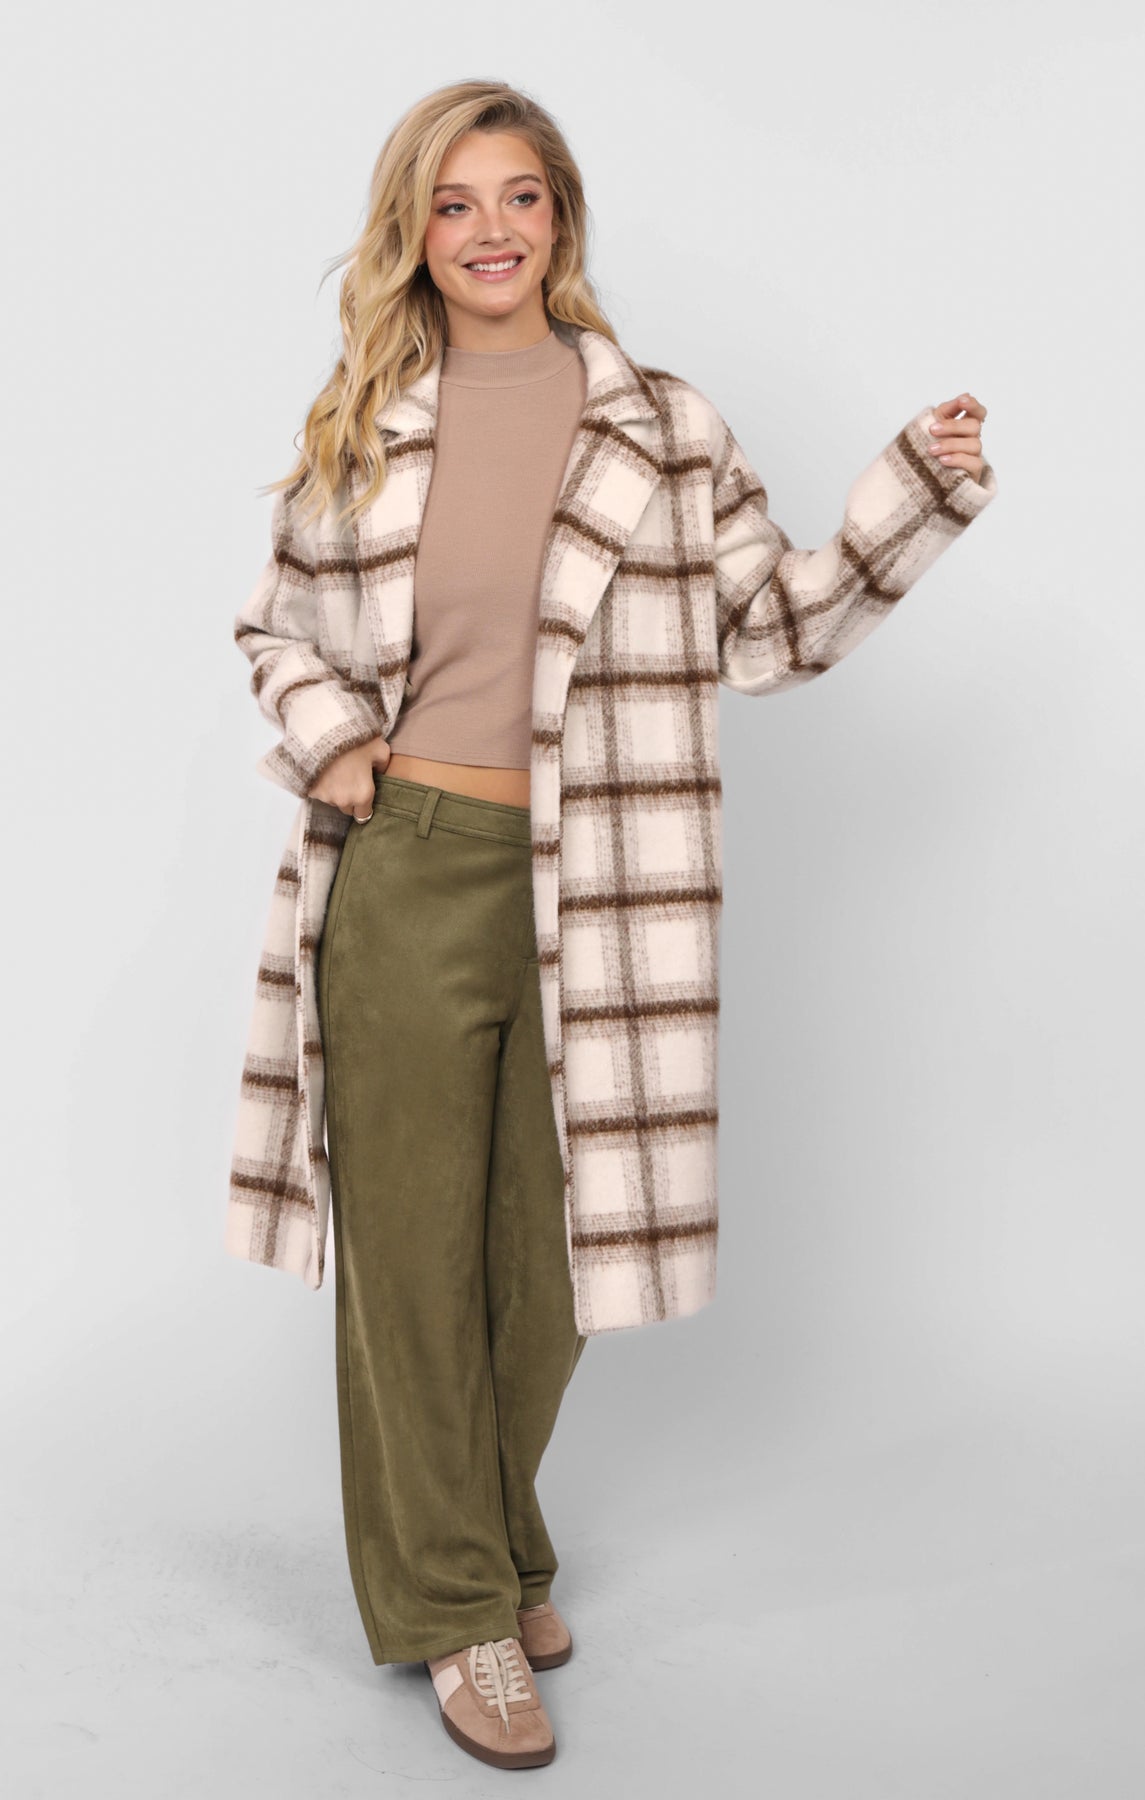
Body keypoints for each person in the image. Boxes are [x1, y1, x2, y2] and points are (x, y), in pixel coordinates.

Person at [227, 79, 997, 1773]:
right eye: (452, 204)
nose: (489, 230)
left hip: (607, 879)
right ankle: (461, 1608)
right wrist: (335, 741)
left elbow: (770, 630)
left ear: (561, 216)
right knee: (411, 1269)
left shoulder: (661, 423)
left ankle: (487, 1544)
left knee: (552, 1261)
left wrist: (911, 492)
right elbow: (274, 624)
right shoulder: (366, 419)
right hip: (407, 866)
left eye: (518, 196)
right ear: (412, 234)